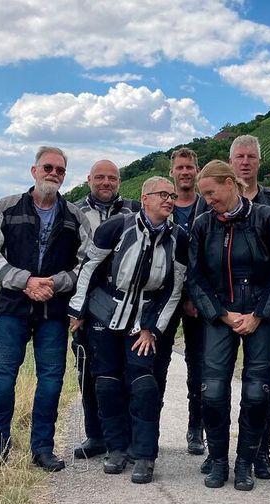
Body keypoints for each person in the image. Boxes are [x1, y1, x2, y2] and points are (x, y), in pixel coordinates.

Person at [68, 177, 188, 484]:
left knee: (144, 384)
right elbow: (89, 269)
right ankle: (116, 449)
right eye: (163, 194)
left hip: (142, 321)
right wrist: (78, 312)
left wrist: (152, 330)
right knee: (106, 382)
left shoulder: (179, 238)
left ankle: (144, 455)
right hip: (104, 315)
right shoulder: (117, 228)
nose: (169, 200)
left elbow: (174, 290)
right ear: (145, 198)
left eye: (172, 195)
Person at [0, 146, 91, 472]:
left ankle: (42, 449)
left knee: (52, 381)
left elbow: (84, 263)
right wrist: (26, 281)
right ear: (34, 171)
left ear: (64, 176)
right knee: (3, 379)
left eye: (59, 170)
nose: (53, 174)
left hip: (53, 311)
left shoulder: (75, 216)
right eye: (48, 168)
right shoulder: (6, 207)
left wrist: (54, 283)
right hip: (10, 307)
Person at [187, 160, 270, 491]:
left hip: (261, 315)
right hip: (221, 314)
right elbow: (196, 275)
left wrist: (259, 314)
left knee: (256, 390)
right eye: (204, 195)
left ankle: (246, 461)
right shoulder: (203, 225)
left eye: (211, 192)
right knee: (213, 390)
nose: (207, 200)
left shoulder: (266, 217)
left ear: (230, 184)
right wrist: (220, 313)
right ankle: (218, 460)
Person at [72, 160, 140, 460]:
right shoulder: (74, 213)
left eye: (112, 178)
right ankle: (96, 435)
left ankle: (127, 438)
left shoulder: (136, 211)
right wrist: (76, 307)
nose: (106, 182)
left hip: (127, 306)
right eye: (99, 177)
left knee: (126, 373)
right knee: (88, 373)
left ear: (120, 181)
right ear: (89, 179)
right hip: (86, 306)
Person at [226, 134, 270, 479]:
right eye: (239, 157)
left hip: (265, 309)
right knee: (214, 380)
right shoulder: (213, 201)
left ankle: (261, 451)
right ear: (230, 162)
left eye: (251, 156)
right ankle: (217, 451)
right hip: (225, 308)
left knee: (262, 384)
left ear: (259, 162)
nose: (245, 162)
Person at [155, 147, 208, 456]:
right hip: (164, 298)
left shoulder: (208, 205)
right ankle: (152, 431)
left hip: (199, 301)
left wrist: (195, 295)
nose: (185, 172)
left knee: (197, 367)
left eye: (190, 167)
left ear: (196, 171)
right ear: (172, 172)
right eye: (180, 167)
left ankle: (195, 429)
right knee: (157, 363)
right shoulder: (163, 205)